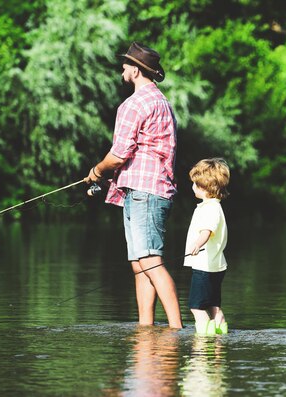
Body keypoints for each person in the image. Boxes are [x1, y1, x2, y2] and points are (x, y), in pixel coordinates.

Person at [86, 42, 182, 329]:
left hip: (144, 192)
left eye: (126, 64)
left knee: (150, 261)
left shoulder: (134, 104)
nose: (123, 68)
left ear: (137, 70)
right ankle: (145, 328)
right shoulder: (162, 101)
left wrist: (95, 172)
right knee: (140, 264)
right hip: (147, 190)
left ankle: (177, 329)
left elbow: (117, 156)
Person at [183, 158, 230, 335]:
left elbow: (207, 231)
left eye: (195, 184)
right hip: (216, 266)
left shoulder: (209, 208)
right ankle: (220, 336)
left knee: (196, 307)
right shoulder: (215, 207)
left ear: (204, 187)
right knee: (213, 306)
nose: (193, 187)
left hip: (204, 266)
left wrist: (197, 244)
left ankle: (203, 342)